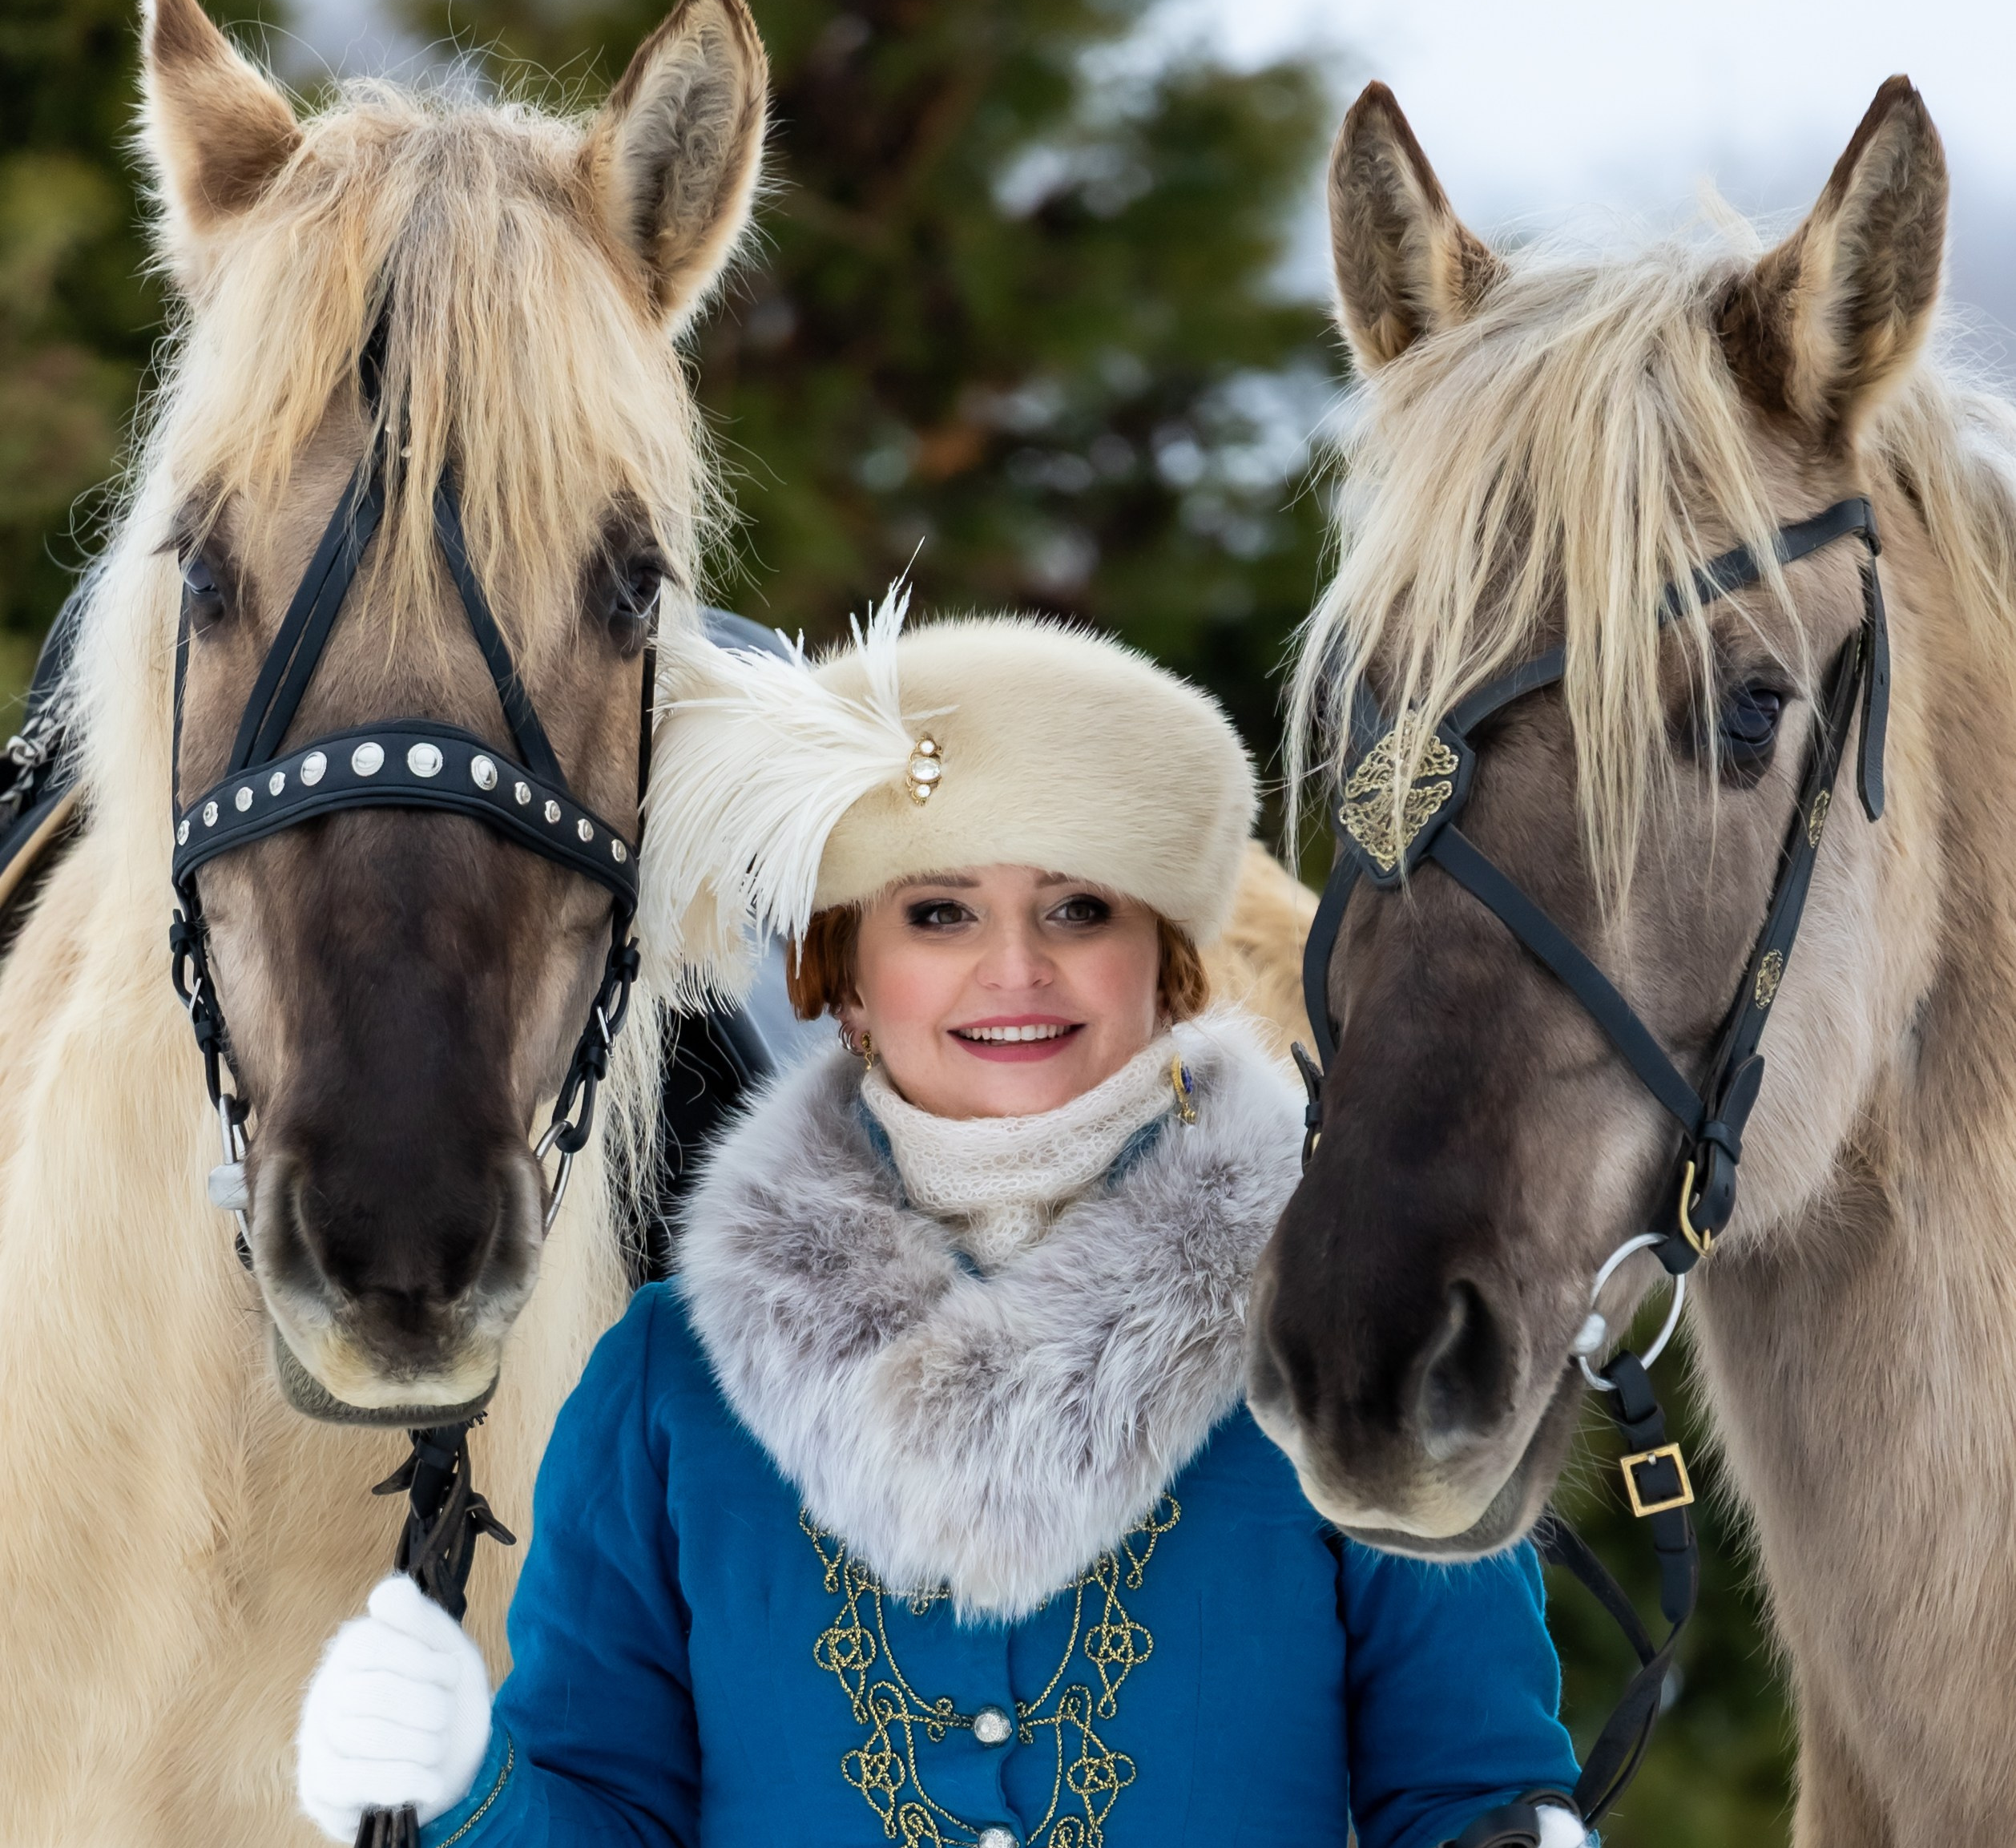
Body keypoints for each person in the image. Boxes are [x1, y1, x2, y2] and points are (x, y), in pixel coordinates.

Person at [295, 595, 1592, 1848]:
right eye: (939, 913)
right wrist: (468, 1789)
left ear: (1170, 964)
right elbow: (613, 1818)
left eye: (1080, 909)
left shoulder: (1351, 1340)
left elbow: (1466, 1789)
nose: (1015, 969)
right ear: (846, 978)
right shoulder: (662, 1384)